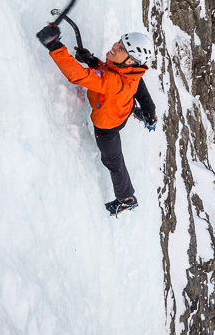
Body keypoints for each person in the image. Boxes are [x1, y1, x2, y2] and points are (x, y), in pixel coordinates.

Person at [36, 24, 157, 216]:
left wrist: (55, 46)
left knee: (113, 162)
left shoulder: (113, 83)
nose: (115, 46)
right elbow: (111, 74)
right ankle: (146, 114)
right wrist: (93, 61)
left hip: (107, 127)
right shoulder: (131, 73)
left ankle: (126, 198)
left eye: (122, 49)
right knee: (134, 91)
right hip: (121, 107)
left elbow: (79, 75)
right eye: (119, 41)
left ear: (130, 61)